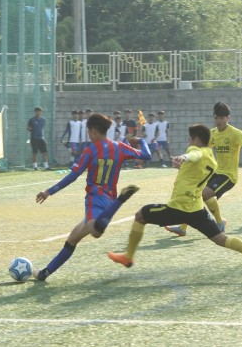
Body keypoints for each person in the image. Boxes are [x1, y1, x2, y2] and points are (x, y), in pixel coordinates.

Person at [107, 123, 242, 274]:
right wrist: (182, 165)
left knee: (141, 215)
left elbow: (193, 156)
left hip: (178, 208)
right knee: (221, 238)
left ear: (196, 139)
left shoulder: (195, 151)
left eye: (190, 139)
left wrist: (183, 157)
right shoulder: (212, 159)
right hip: (196, 209)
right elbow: (194, 171)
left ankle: (128, 257)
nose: (188, 142)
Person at [32, 113, 152, 281]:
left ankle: (121, 200)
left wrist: (48, 191)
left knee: (95, 231)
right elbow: (147, 156)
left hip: (95, 198)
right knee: (73, 238)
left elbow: (73, 176)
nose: (89, 135)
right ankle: (44, 273)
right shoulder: (119, 147)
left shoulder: (91, 150)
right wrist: (142, 141)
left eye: (89, 131)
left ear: (94, 131)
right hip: (108, 200)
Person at [166, 102, 242, 236]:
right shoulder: (212, 133)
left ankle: (214, 223)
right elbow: (202, 152)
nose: (218, 121)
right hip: (215, 173)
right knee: (194, 194)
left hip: (228, 176)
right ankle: (186, 227)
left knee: (202, 195)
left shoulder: (235, 133)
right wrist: (185, 163)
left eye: (222, 118)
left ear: (228, 118)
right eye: (216, 118)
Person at [27, 106, 50, 171]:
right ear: (35, 112)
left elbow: (41, 129)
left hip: (41, 138)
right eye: (37, 111)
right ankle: (35, 167)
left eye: (39, 111)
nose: (38, 112)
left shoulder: (43, 120)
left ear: (41, 112)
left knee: (44, 152)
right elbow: (28, 127)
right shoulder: (32, 120)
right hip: (34, 138)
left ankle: (46, 166)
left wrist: (44, 138)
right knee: (35, 153)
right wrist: (30, 129)